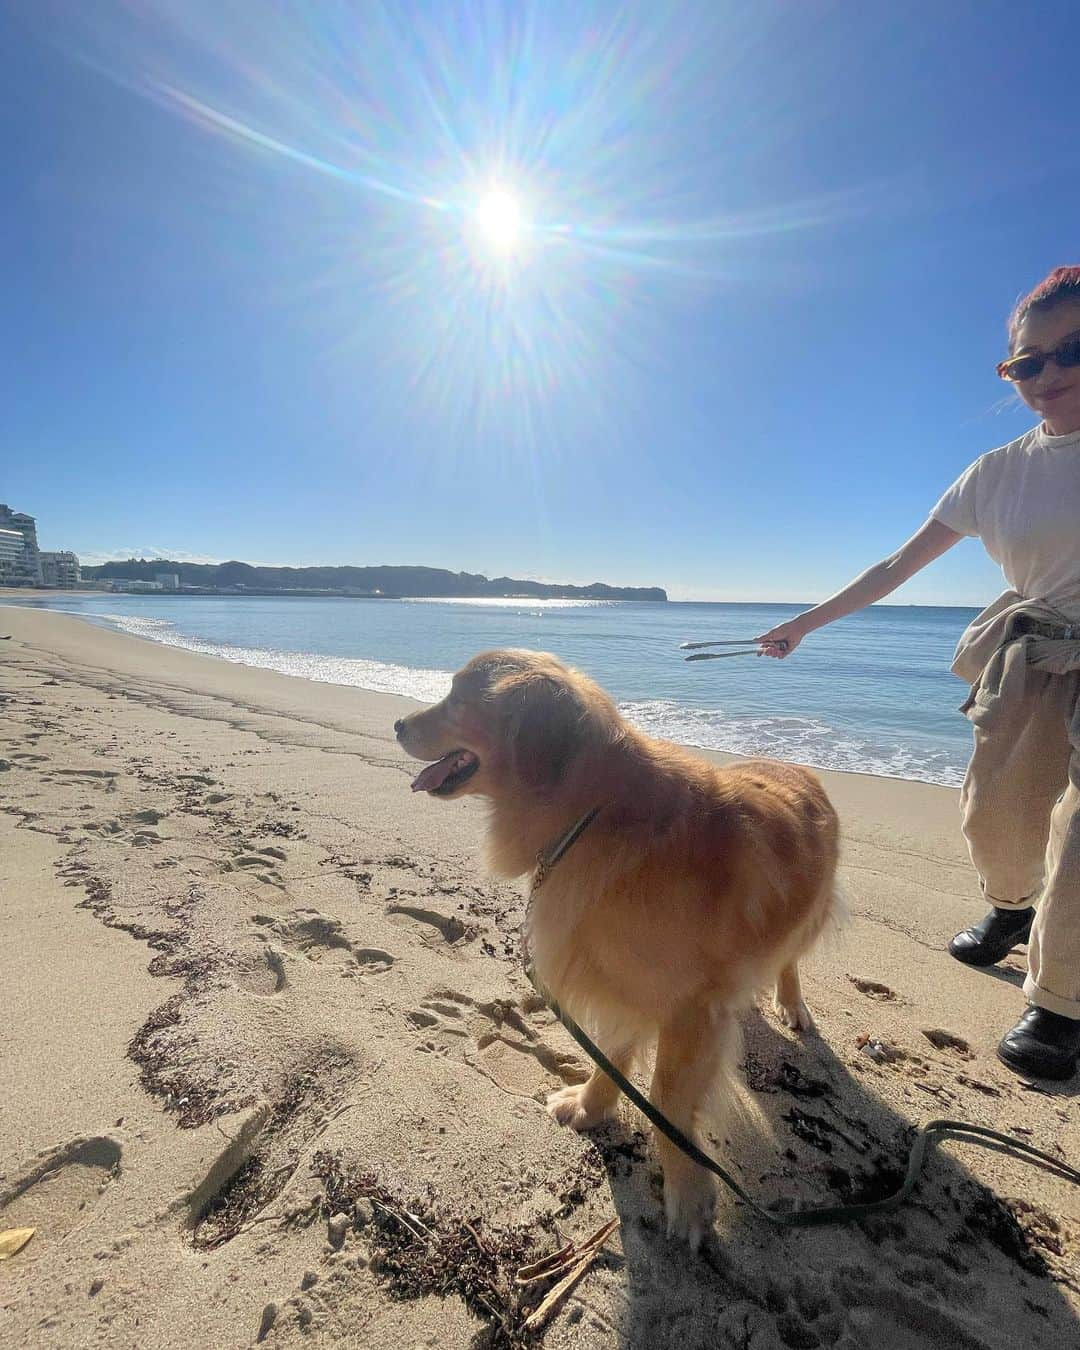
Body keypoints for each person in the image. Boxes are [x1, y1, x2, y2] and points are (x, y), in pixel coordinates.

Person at [755, 265, 1080, 1081]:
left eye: (1072, 350)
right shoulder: (996, 472)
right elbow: (897, 565)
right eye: (1028, 362)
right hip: (1033, 652)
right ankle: (1012, 908)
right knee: (996, 820)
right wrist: (804, 625)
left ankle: (1061, 1001)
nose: (1051, 374)